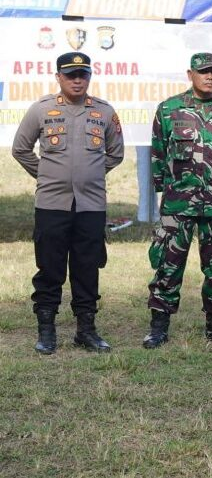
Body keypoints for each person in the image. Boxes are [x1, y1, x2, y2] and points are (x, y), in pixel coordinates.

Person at [12, 51, 124, 354]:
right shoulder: (41, 109)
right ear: (58, 77)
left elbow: (116, 153)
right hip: (52, 203)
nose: (77, 80)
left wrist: (90, 176)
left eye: (83, 74)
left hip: (91, 205)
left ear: (90, 76)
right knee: (49, 267)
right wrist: (47, 174)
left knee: (88, 267)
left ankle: (86, 330)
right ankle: (46, 331)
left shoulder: (104, 111)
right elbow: (20, 149)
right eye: (70, 75)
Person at [144, 53, 212, 348]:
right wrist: (168, 191)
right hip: (178, 203)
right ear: (191, 74)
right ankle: (159, 326)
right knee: (168, 264)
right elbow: (158, 156)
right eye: (203, 72)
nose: (209, 77)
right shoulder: (169, 110)